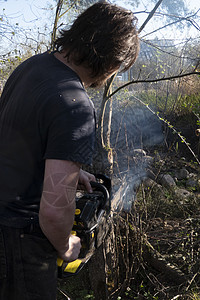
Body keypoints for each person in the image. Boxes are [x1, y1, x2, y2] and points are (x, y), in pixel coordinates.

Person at [0, 2, 139, 299]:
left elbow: (17, 141)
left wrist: (72, 169)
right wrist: (66, 245)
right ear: (113, 64)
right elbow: (52, 212)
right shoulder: (75, 104)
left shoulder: (31, 67)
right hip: (22, 242)